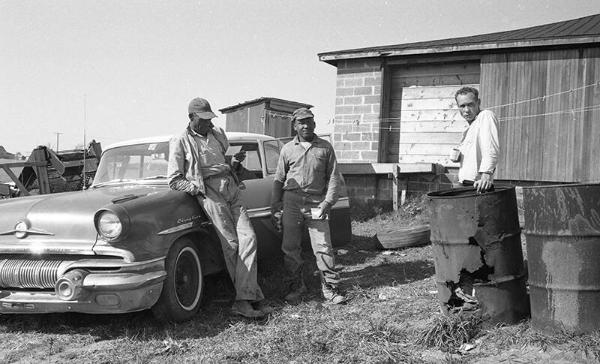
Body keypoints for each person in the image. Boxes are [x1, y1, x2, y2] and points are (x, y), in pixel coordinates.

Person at [167, 97, 267, 318]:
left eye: (210, 119)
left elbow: (221, 162)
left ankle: (245, 299)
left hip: (231, 189)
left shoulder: (217, 135)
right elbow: (174, 179)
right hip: (210, 193)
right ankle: (249, 298)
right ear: (191, 117)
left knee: (249, 239)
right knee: (231, 245)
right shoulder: (181, 140)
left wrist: (234, 164)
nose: (208, 123)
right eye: (203, 119)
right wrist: (197, 189)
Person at [271, 107, 346, 305]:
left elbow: (333, 178)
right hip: (292, 202)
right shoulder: (287, 149)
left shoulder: (325, 147)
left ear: (314, 123)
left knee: (323, 246)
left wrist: (327, 203)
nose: (306, 125)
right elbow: (279, 179)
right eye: (301, 122)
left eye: (309, 121)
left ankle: (330, 287)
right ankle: (296, 286)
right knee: (290, 247)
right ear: (295, 126)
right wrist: (275, 205)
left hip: (316, 202)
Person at [452, 87, 499, 193]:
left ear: (478, 102)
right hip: (464, 185)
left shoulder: (486, 116)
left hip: (479, 186)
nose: (466, 110)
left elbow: (491, 147)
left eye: (470, 104)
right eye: (462, 106)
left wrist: (486, 174)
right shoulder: (469, 128)